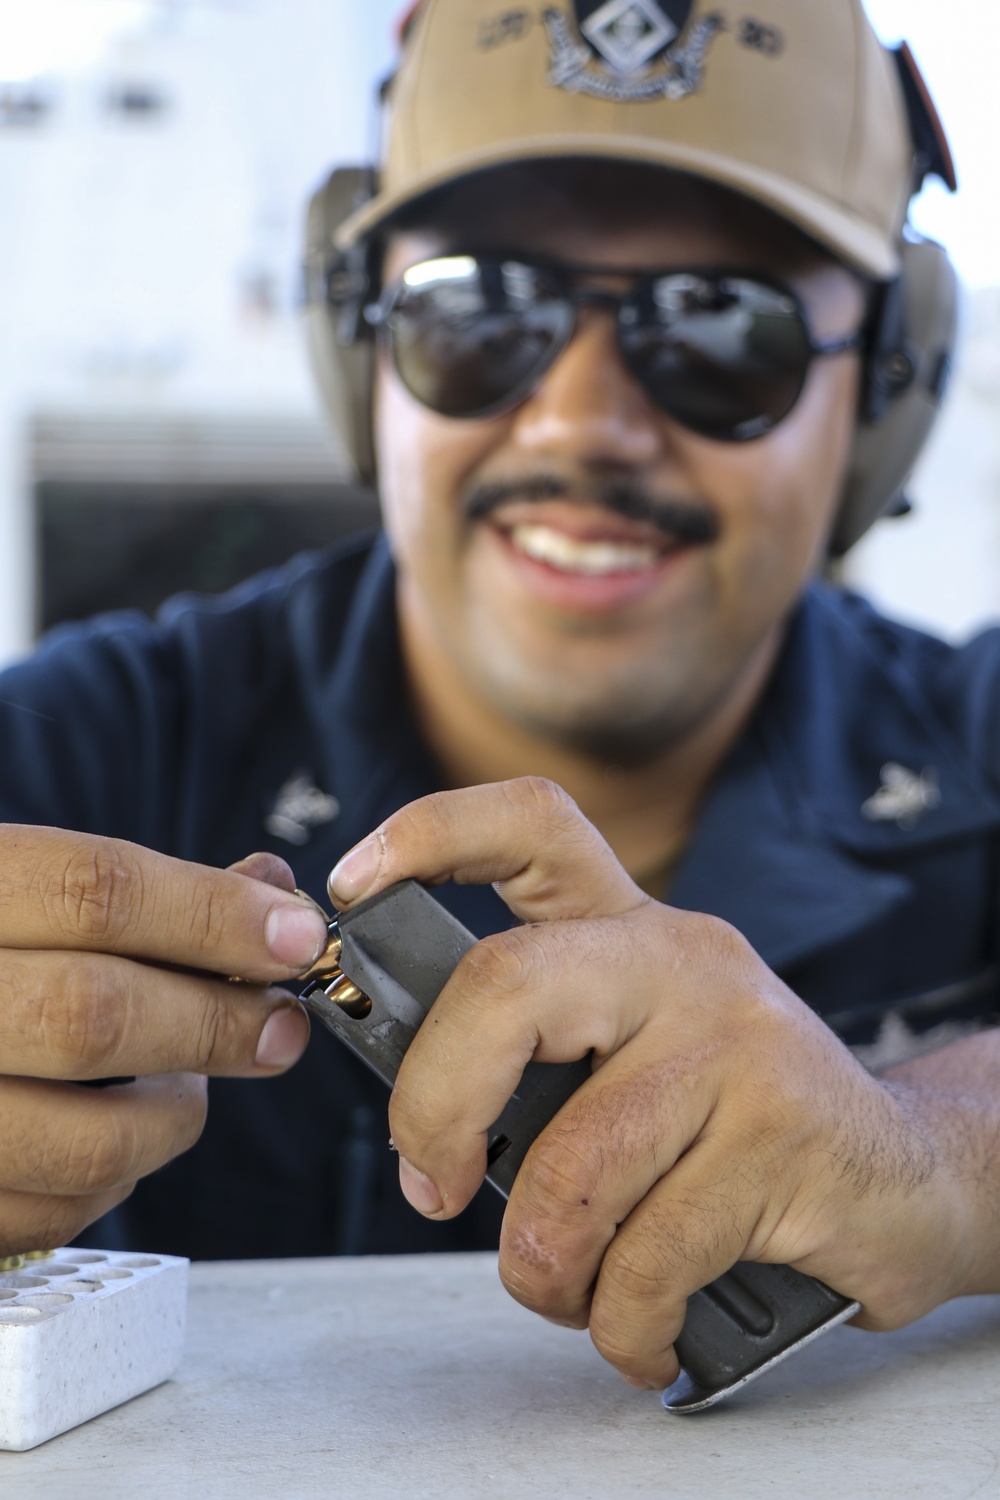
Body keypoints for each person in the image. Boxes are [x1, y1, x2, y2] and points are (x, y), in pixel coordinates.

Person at [1, 0, 998, 1393]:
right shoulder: (83, 751)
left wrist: (930, 1148)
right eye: (480, 308)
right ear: (360, 349)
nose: (584, 421)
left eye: (721, 324)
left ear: (889, 390)